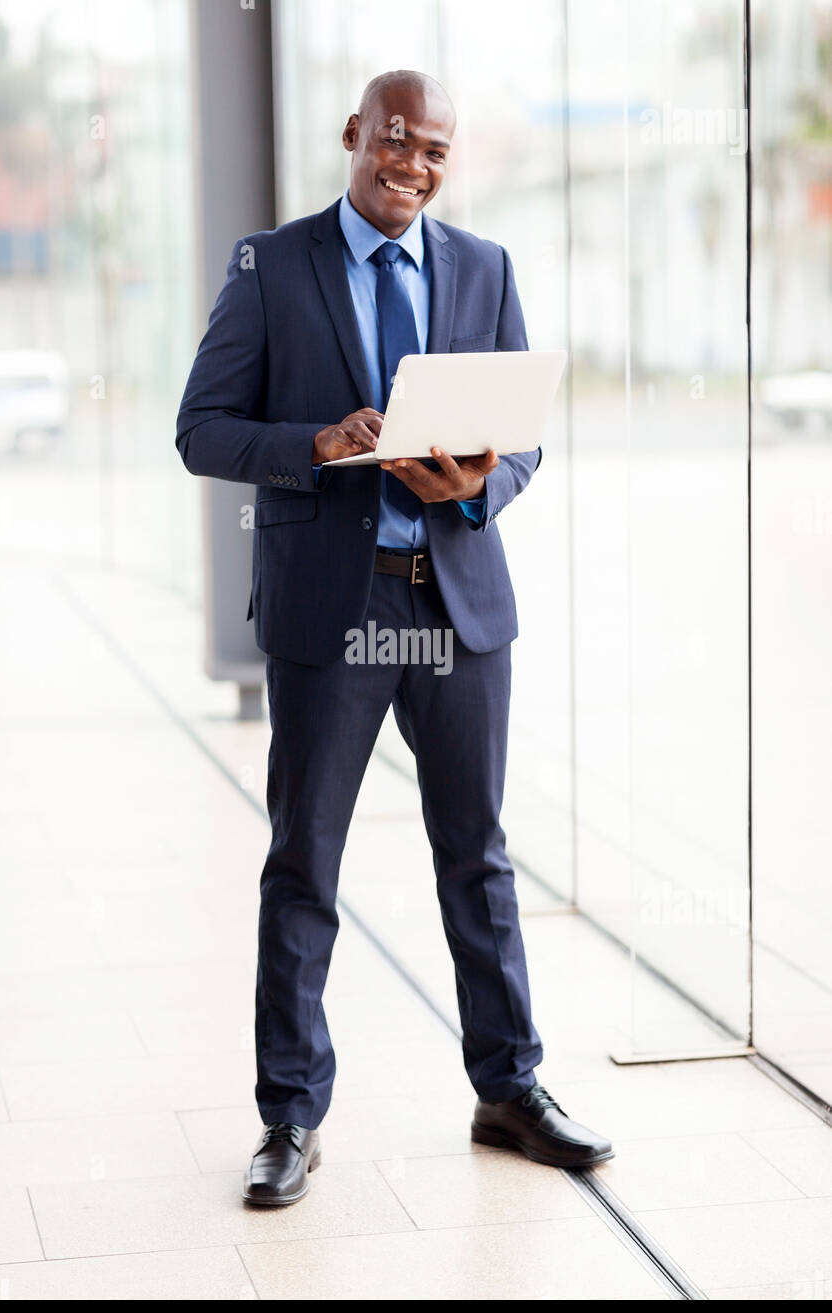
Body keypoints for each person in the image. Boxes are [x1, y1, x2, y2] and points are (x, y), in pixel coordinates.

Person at [176, 69, 613, 1207]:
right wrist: (317, 444)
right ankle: (288, 1114)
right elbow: (201, 429)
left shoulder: (483, 268)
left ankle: (507, 1086)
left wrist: (472, 482)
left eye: (430, 151)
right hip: (334, 607)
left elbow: (521, 443)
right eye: (392, 141)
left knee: (476, 855)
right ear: (352, 136)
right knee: (304, 865)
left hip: (454, 601)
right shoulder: (271, 267)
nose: (408, 165)